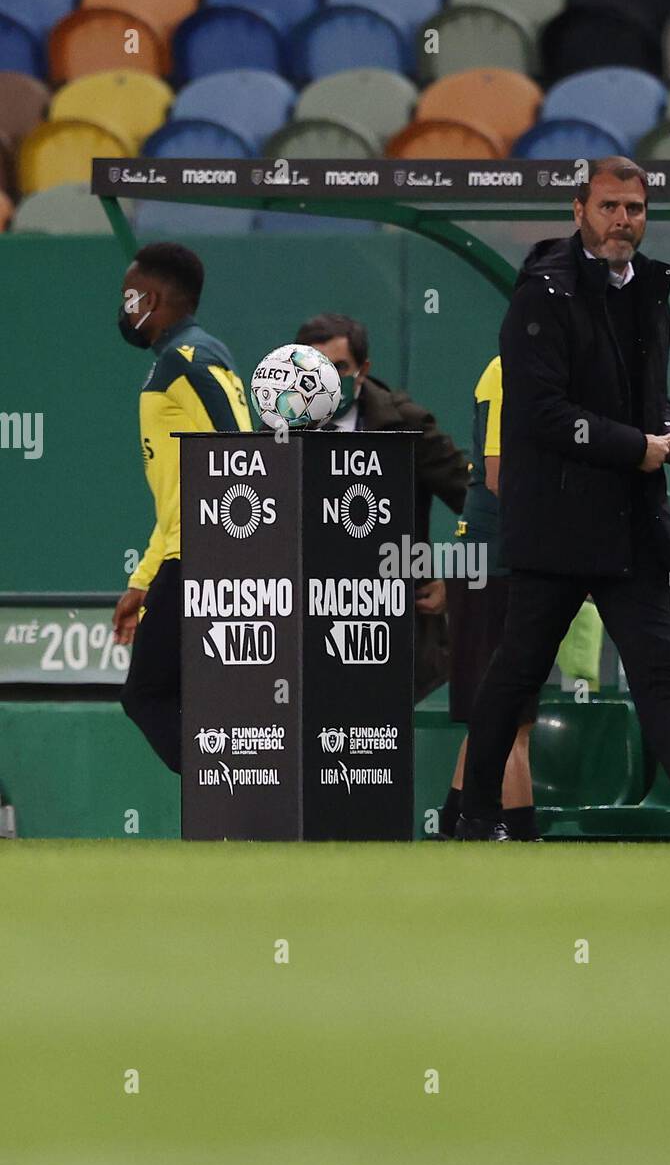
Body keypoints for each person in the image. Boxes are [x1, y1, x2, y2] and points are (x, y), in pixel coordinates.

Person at [456, 157, 670, 842]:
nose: (622, 221)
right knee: (515, 676)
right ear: (578, 209)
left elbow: (650, 398)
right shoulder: (540, 295)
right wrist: (640, 447)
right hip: (554, 523)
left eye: (634, 209)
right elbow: (544, 414)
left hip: (627, 520)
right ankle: (475, 815)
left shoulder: (648, 290)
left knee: (661, 672)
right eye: (609, 207)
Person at [439, 354, 604, 842]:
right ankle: (513, 831)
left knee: (506, 717)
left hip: (520, 564)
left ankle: (456, 825)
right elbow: (500, 476)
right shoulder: (505, 370)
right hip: (491, 564)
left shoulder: (564, 377)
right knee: (507, 718)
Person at [112, 243, 252, 772]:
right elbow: (176, 495)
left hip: (199, 558)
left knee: (146, 694)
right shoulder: (194, 356)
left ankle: (235, 784)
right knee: (185, 695)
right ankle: (237, 789)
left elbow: (242, 454)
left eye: (128, 297)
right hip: (189, 555)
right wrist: (142, 580)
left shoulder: (185, 361)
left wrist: (229, 556)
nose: (123, 308)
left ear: (149, 298)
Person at [294, 312, 469, 702]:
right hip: (308, 629)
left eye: (339, 367)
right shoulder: (281, 426)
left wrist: (454, 583)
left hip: (391, 630)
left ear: (362, 369)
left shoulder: (406, 424)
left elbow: (476, 503)